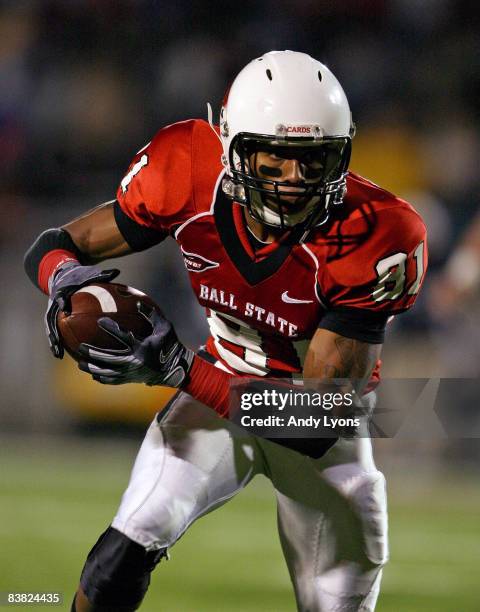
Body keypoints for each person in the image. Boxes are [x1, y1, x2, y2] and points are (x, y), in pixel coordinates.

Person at [24, 51, 427, 611]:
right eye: (274, 161)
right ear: (232, 147)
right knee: (124, 548)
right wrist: (65, 282)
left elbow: (316, 422)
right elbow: (53, 247)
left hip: (318, 433)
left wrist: (180, 369)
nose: (294, 181)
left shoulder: (379, 231)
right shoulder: (186, 166)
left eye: (314, 161)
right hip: (220, 386)